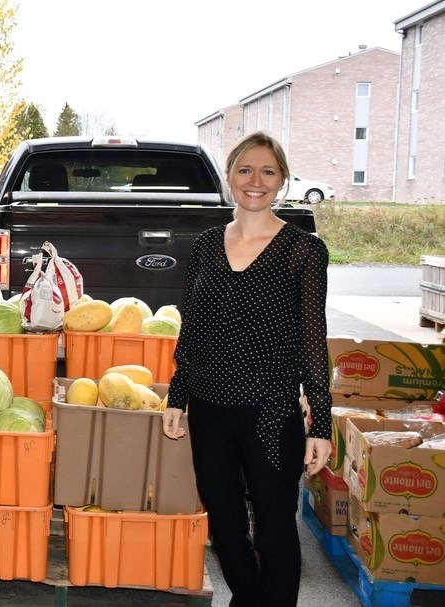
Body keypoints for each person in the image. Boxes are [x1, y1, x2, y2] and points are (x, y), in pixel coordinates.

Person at [161, 131, 332, 607]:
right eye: (245, 170)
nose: (256, 180)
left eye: (268, 171)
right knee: (225, 523)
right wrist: (178, 395)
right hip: (209, 408)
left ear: (281, 181)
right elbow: (192, 327)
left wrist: (321, 421)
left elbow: (312, 341)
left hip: (271, 413)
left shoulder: (304, 252)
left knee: (276, 529)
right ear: (231, 177)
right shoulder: (206, 245)